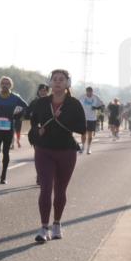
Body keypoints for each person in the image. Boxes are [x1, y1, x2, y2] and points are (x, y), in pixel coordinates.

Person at [28, 69, 85, 243]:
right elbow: (33, 124)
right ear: (50, 82)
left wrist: (62, 119)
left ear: (68, 83)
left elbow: (82, 128)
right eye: (55, 79)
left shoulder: (73, 104)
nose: (58, 82)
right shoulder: (41, 103)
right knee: (45, 188)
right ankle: (43, 228)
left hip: (66, 151)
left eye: (62, 79)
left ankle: (57, 224)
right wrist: (37, 131)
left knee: (60, 190)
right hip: (44, 150)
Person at [0, 76, 27, 184]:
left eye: (7, 83)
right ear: (0, 85)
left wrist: (17, 116)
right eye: (3, 83)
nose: (5, 85)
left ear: (11, 85)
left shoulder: (15, 98)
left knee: (6, 152)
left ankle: (3, 176)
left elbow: (25, 107)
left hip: (9, 129)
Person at [79, 86, 105, 153]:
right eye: (88, 92)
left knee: (90, 135)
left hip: (92, 118)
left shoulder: (95, 97)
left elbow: (102, 106)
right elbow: (78, 105)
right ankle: (83, 147)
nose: (90, 93)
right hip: (83, 118)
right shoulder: (82, 97)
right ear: (86, 92)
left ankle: (89, 148)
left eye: (91, 92)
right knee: (83, 133)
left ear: (92, 92)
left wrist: (96, 108)